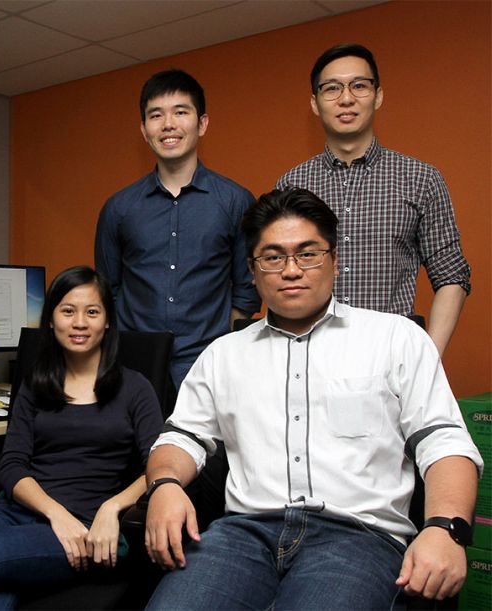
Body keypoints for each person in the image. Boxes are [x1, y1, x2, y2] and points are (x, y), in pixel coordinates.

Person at [143, 188, 482, 609]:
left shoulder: (396, 338)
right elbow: (179, 439)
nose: (291, 270)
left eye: (308, 254)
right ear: (253, 269)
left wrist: (445, 529)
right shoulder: (223, 354)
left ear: (335, 261)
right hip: (243, 535)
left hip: (358, 538)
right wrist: (164, 485)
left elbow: (444, 443)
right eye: (273, 257)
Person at [0, 266, 163, 610]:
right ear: (51, 320)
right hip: (18, 514)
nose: (79, 322)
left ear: (107, 321)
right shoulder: (36, 384)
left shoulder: (135, 388)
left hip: (84, 526)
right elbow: (12, 465)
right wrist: (55, 514)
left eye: (92, 312)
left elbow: (157, 466)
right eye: (68, 311)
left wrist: (111, 508)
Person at [277, 43, 470, 356]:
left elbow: (451, 274)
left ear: (378, 95)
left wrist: (428, 357)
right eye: (332, 88)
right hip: (310, 354)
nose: (346, 98)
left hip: (392, 354)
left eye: (359, 85)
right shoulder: (291, 185)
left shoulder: (421, 179)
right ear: (315, 103)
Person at [95, 69, 260, 394]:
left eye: (180, 112)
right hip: (133, 365)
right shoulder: (119, 208)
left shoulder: (236, 201)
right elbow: (107, 289)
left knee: (208, 447)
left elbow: (247, 287)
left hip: (210, 364)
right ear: (144, 130)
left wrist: (221, 339)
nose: (168, 124)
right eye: (156, 115)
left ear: (202, 123)